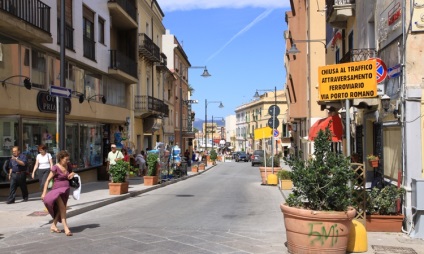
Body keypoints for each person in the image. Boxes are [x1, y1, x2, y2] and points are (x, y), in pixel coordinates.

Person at [41, 150, 75, 236]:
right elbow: (48, 180)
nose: (67, 161)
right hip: (57, 190)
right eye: (66, 159)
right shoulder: (55, 167)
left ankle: (53, 225)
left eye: (68, 159)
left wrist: (72, 174)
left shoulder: (68, 166)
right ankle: (66, 227)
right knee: (63, 208)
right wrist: (44, 193)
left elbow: (71, 172)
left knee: (61, 209)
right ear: (60, 158)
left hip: (66, 190)